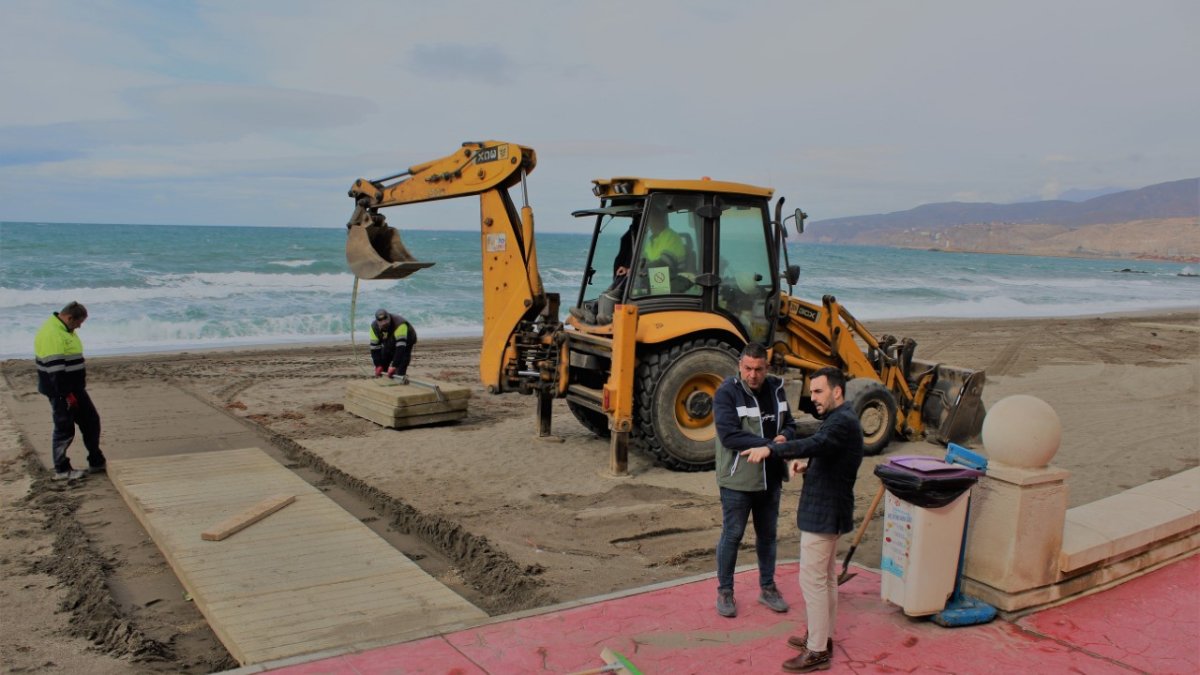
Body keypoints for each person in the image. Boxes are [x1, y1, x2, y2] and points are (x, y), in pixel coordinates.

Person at [740, 366, 863, 673]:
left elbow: (816, 444)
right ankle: (823, 637)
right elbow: (828, 454)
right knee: (826, 579)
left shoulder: (841, 422)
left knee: (813, 581)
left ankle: (817, 650)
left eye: (819, 391)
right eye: (813, 392)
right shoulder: (839, 420)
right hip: (829, 509)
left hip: (824, 513)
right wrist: (809, 467)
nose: (814, 398)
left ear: (837, 391)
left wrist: (771, 448)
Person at [712, 342, 798, 618]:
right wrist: (771, 445)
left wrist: (786, 436)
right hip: (738, 480)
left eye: (758, 369)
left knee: (768, 536)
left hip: (771, 478)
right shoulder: (726, 393)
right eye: (748, 368)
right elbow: (729, 436)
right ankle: (725, 591)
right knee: (733, 535)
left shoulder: (777, 388)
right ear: (740, 366)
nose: (753, 375)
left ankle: (768, 588)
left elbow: (791, 424)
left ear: (767, 368)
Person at [34, 301, 106, 480]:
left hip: (75, 388)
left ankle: (96, 461)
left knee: (91, 421)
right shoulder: (53, 334)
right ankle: (62, 469)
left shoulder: (65, 330)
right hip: (60, 391)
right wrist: (66, 395)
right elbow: (55, 370)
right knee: (64, 428)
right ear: (68, 317)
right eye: (78, 322)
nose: (80, 326)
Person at [370, 309, 417, 383]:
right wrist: (378, 365)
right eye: (381, 321)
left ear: (389, 317)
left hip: (406, 343)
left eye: (386, 320)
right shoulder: (374, 328)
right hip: (389, 342)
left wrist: (394, 366)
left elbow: (400, 348)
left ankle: (400, 376)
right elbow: (374, 349)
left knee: (400, 369)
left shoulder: (400, 324)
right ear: (377, 322)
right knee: (383, 365)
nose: (384, 323)